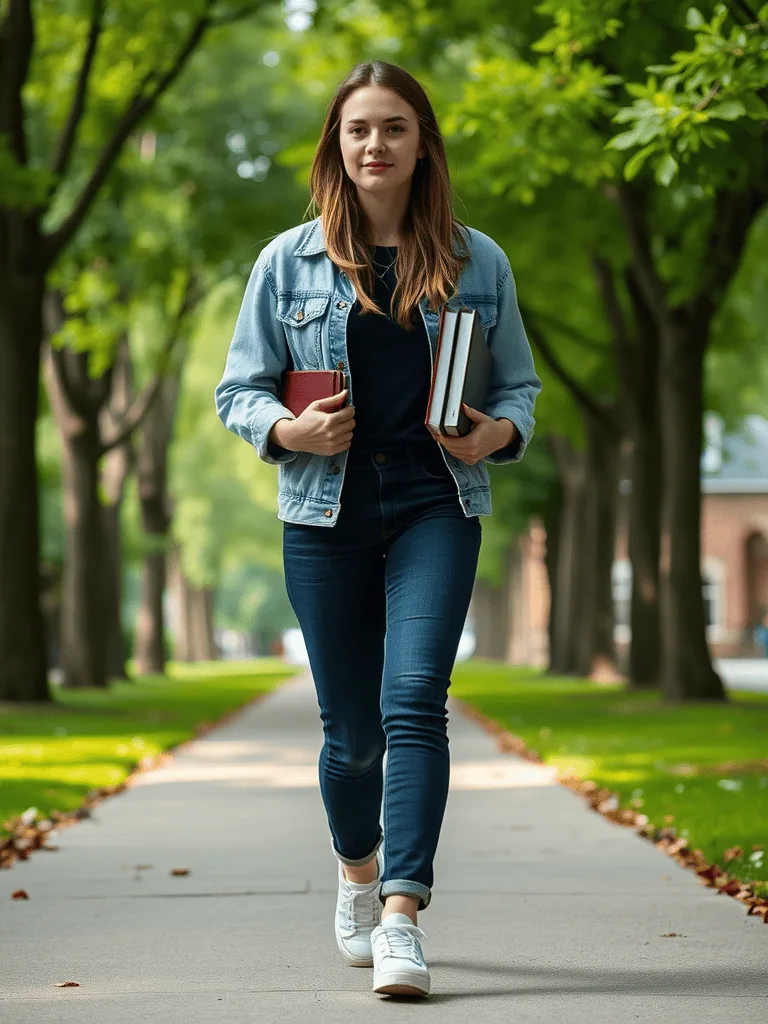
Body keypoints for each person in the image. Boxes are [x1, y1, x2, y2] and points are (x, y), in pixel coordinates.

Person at [215, 60, 541, 999]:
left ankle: (402, 913)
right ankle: (358, 874)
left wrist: (497, 431)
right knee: (351, 734)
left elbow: (518, 385)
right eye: (359, 129)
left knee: (415, 702)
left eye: (394, 127)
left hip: (437, 501)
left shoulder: (479, 260)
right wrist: (287, 429)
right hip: (327, 511)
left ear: (421, 144)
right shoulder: (287, 261)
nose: (375, 145)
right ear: (337, 144)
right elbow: (238, 388)